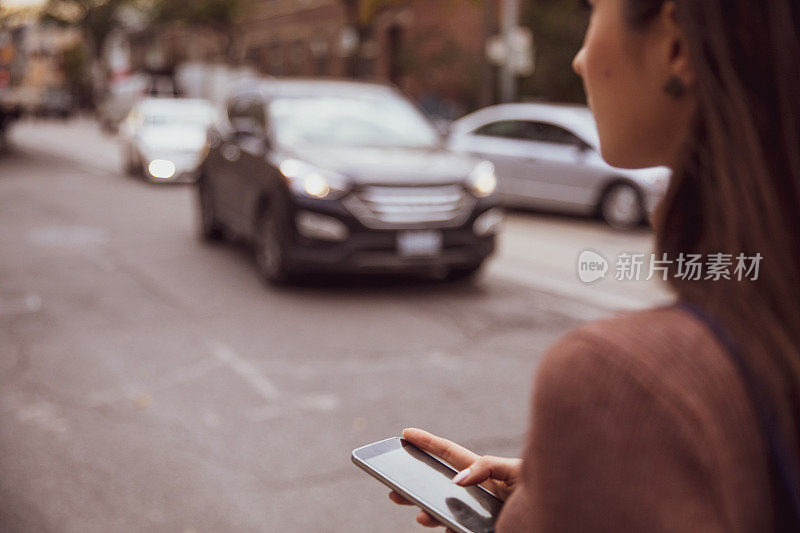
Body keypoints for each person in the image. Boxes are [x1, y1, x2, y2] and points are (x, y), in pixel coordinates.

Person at [390, 0, 800, 530]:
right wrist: (573, 485)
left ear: (676, 44)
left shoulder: (623, 382)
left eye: (594, 12)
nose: (580, 60)